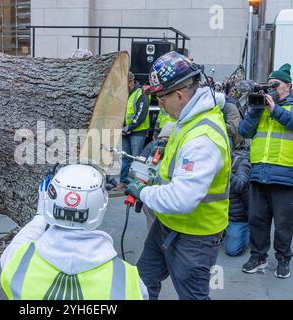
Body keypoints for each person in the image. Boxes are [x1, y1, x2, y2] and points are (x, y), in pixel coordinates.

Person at [125, 51, 231, 300]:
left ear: (180, 94)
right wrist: (154, 179)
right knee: (142, 282)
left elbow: (182, 199)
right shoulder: (189, 117)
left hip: (195, 236)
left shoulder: (202, 139)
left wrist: (143, 191)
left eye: (161, 98)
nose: (159, 104)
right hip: (167, 224)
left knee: (192, 296)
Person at [0, 164, 148, 300]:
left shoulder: (17, 262)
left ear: (49, 202)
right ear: (100, 207)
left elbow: (23, 239)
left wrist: (40, 215)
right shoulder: (128, 281)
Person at [239, 63, 293, 278]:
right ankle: (258, 257)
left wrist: (275, 110)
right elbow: (244, 131)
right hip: (259, 173)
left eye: (275, 84)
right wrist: (254, 111)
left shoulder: (285, 107)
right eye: (268, 84)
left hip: (285, 175)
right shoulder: (260, 107)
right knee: (257, 219)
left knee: (283, 224)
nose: (270, 88)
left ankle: (283, 259)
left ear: (288, 86)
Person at [115, 72, 151, 190]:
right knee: (125, 158)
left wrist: (128, 127)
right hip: (125, 131)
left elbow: (140, 115)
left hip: (137, 132)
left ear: (130, 82)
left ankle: (135, 184)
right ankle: (123, 181)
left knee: (136, 159)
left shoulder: (141, 93)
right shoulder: (124, 94)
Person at [225, 149, 250, 256]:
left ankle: (251, 229)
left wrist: (224, 171)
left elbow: (240, 184)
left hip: (238, 217)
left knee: (232, 250)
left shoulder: (241, 163)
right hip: (219, 215)